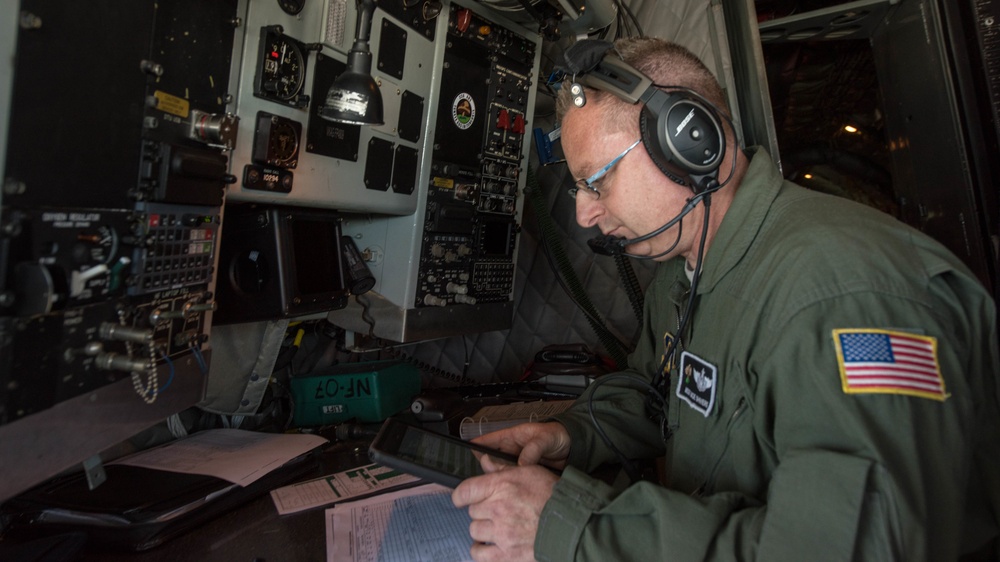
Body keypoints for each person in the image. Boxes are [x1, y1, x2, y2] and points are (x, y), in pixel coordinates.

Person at [451, 36, 1000, 561]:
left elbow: (851, 547)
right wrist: (574, 434)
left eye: (596, 182)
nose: (584, 213)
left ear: (690, 142)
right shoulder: (685, 270)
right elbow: (657, 390)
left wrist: (577, 530)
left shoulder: (844, 294)